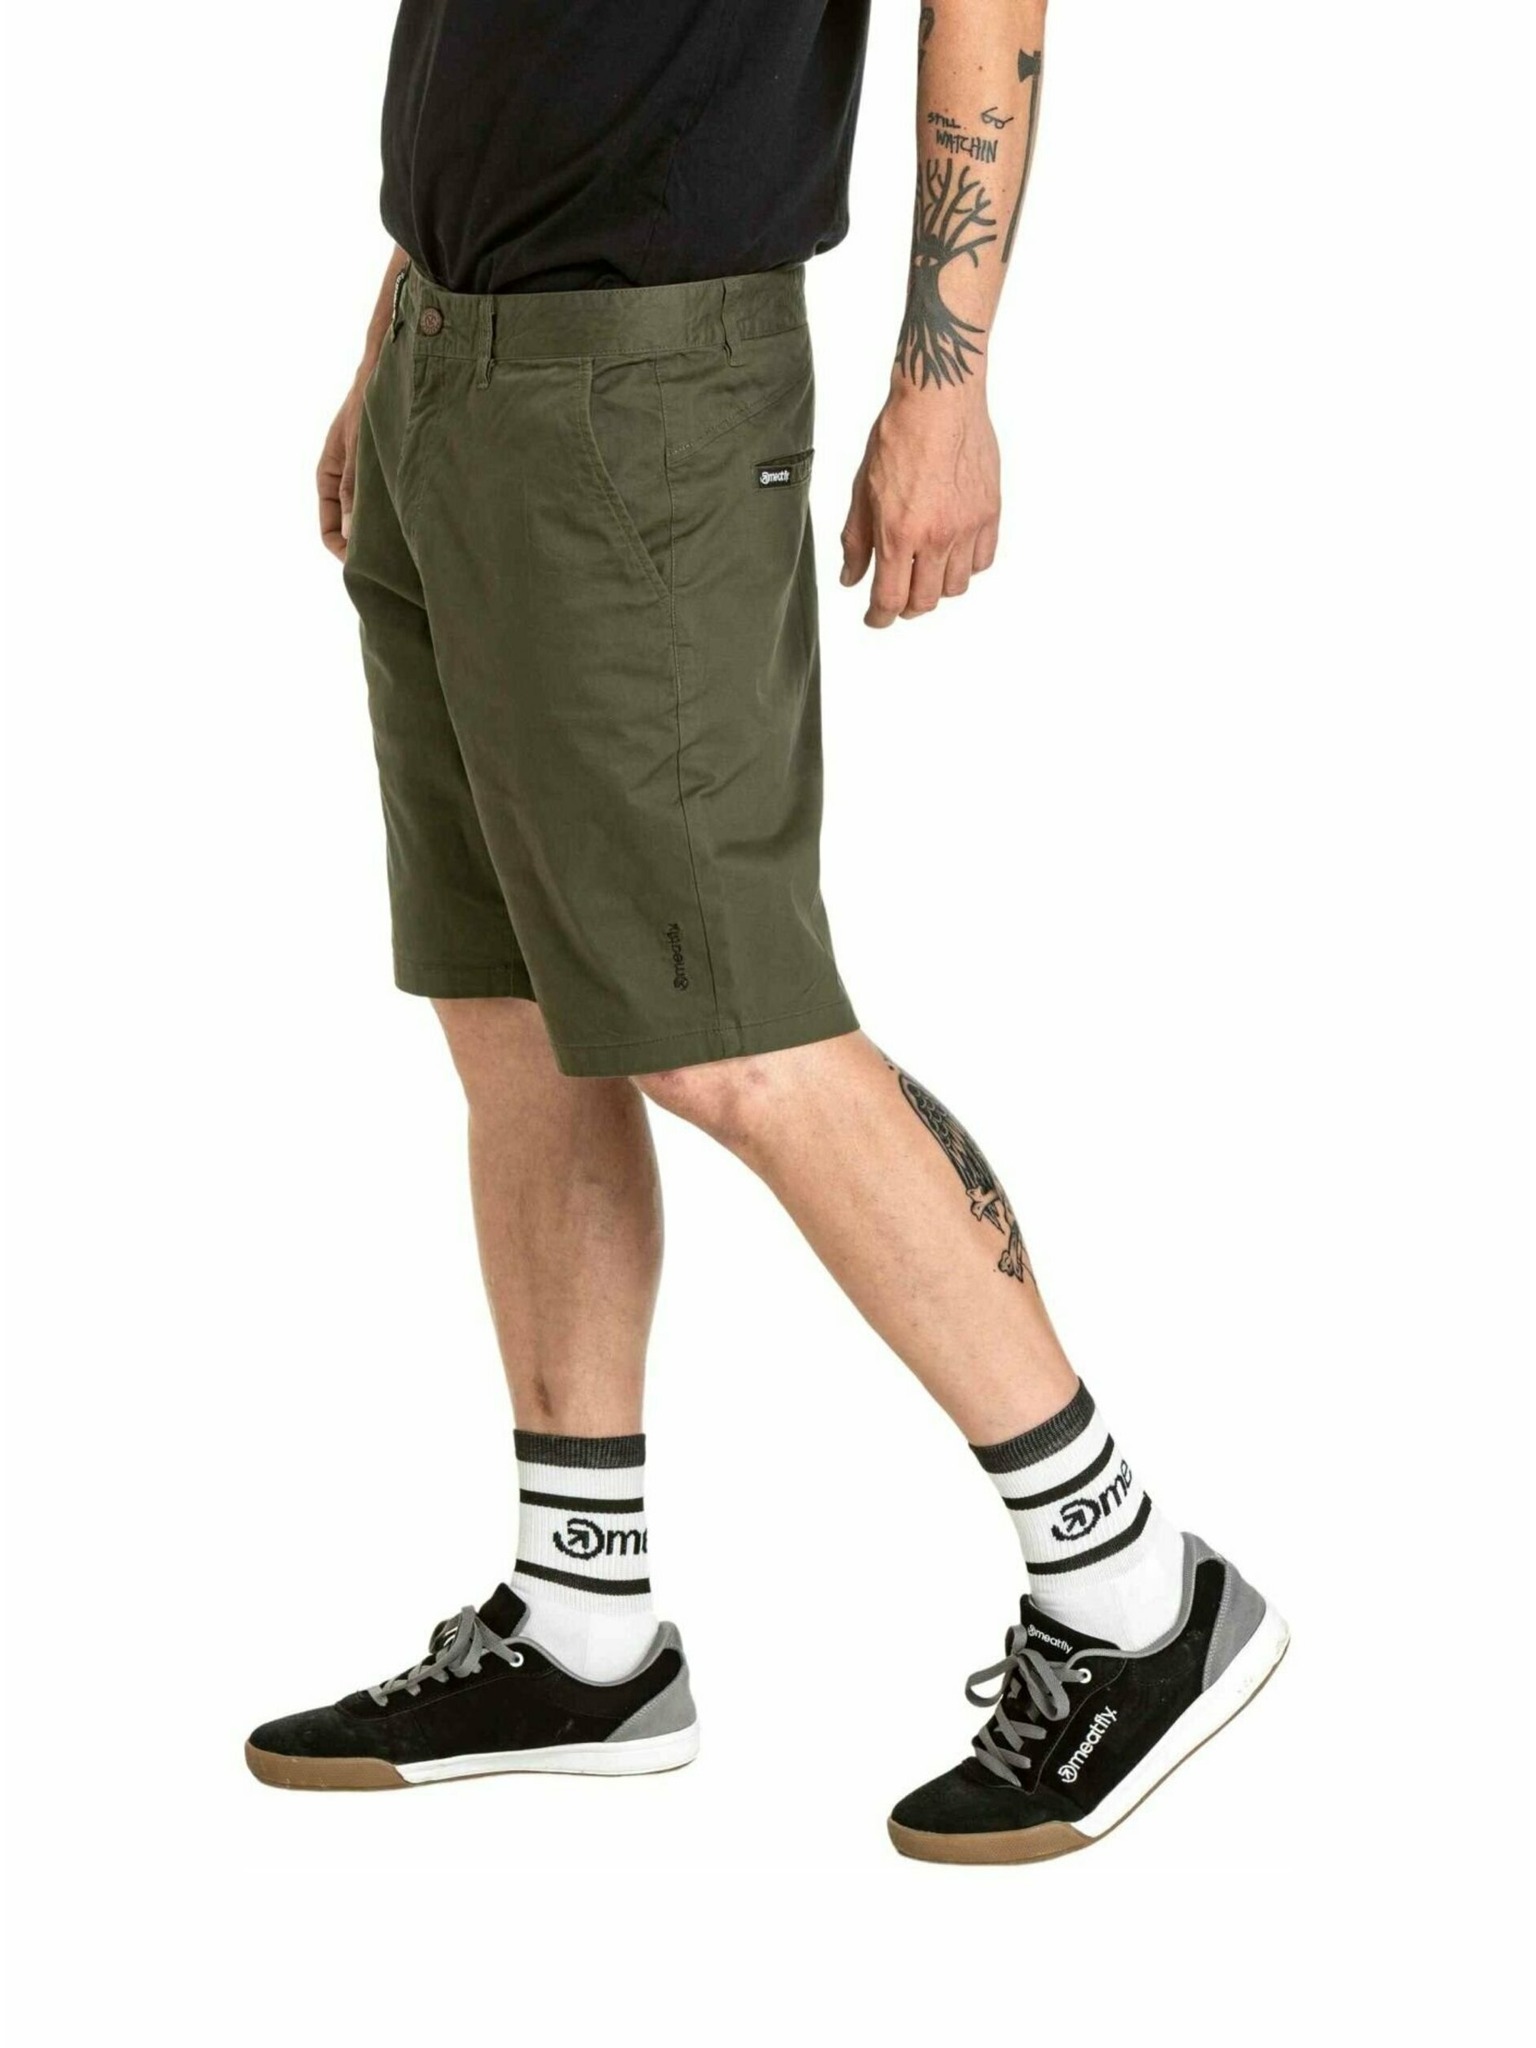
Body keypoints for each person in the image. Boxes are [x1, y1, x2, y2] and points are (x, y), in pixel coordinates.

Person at [246, 0, 1287, 1863]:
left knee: (737, 1033)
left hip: (646, 384)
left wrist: (946, 381)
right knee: (510, 1013)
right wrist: (400, 325)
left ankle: (1134, 1590)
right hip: (450, 352)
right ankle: (583, 1630)